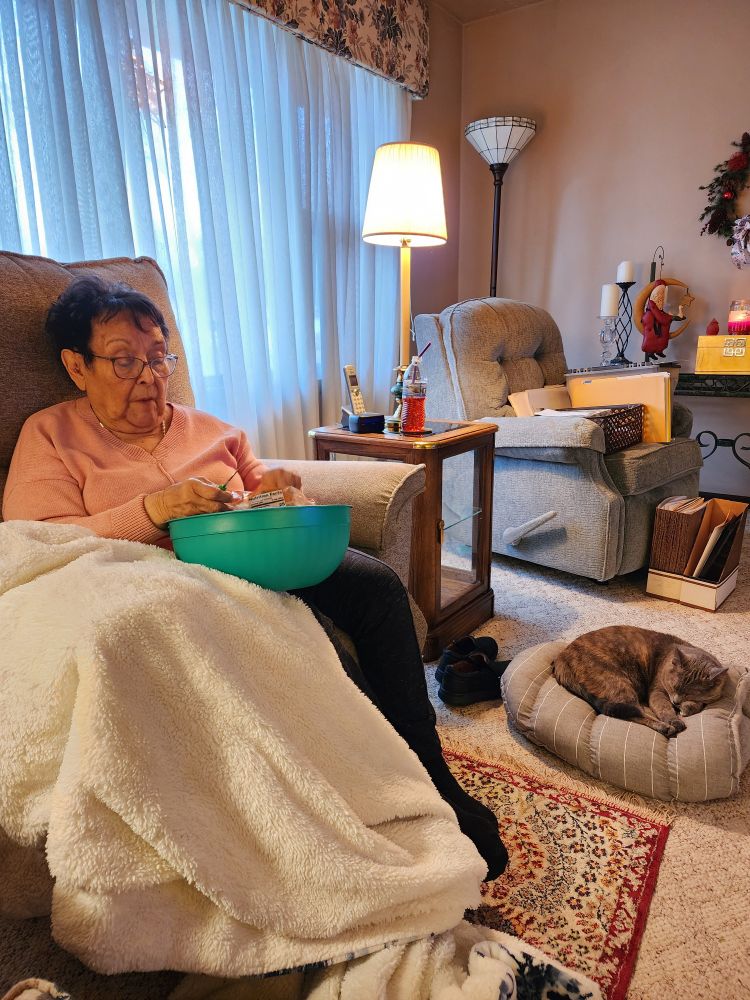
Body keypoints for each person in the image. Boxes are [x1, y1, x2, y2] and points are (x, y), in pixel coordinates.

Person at [3, 276, 508, 880]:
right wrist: (151, 511)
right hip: (169, 586)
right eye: (124, 362)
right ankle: (385, 799)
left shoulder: (209, 428)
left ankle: (430, 770)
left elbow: (262, 489)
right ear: (76, 367)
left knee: (375, 584)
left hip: (261, 558)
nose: (150, 377)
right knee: (310, 645)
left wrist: (278, 490)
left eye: (159, 358)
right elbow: (35, 540)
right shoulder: (50, 434)